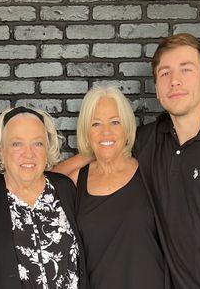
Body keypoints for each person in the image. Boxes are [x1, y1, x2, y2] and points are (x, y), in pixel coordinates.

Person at [55, 33, 200, 289]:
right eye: (165, 73)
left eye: (186, 70)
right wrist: (96, 147)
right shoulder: (149, 141)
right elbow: (101, 151)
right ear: (157, 88)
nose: (175, 81)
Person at [71, 86, 167, 288]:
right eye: (96, 124)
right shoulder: (75, 180)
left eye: (115, 122)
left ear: (127, 127)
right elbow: (42, 182)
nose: (106, 131)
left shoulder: (150, 172)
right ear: (85, 131)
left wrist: (105, 145)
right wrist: (96, 150)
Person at [0, 107, 88, 289]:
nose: (29, 153)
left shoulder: (64, 188)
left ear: (47, 148)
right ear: (1, 150)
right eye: (17, 144)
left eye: (37, 143)